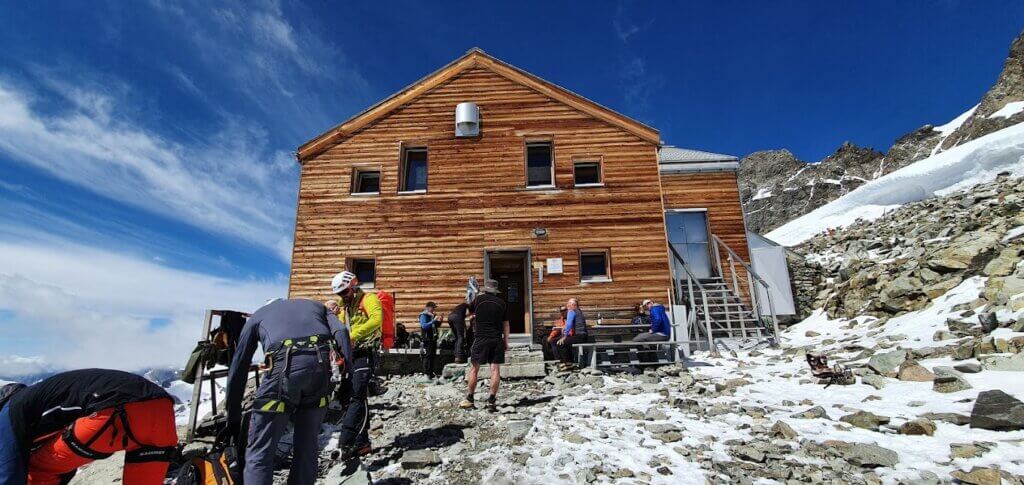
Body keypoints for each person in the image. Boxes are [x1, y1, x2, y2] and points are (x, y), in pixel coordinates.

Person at [223, 298, 352, 485]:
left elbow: (238, 367)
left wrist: (233, 418)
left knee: (260, 452)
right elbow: (341, 331)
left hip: (281, 373)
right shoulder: (316, 306)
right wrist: (346, 378)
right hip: (321, 371)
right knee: (307, 446)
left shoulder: (258, 316)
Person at [0, 369, 177, 485]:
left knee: (38, 470)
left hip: (115, 410)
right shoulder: (39, 397)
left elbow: (9, 471)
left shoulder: (10, 412)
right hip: (162, 410)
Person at [332, 270, 383, 461]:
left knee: (357, 395)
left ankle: (345, 442)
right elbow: (338, 326)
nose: (342, 296)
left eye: (345, 292)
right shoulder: (343, 305)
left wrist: (351, 336)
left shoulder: (369, 299)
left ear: (353, 285)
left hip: (366, 351)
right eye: (340, 294)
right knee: (346, 396)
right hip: (350, 354)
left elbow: (377, 320)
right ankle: (363, 443)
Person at [459, 279, 509, 412]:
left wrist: (475, 316)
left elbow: (468, 313)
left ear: (485, 289)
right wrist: (506, 342)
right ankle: (491, 401)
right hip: (496, 339)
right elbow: (506, 324)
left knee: (474, 368)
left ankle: (470, 399)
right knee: (495, 369)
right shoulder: (502, 303)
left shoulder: (478, 300)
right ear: (496, 291)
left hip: (481, 338)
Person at [633, 299, 672, 364]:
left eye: (648, 304)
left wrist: (653, 329)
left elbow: (658, 319)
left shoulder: (654, 309)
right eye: (645, 305)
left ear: (651, 303)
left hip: (661, 334)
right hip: (664, 333)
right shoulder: (659, 309)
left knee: (636, 339)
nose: (647, 306)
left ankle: (645, 359)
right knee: (644, 340)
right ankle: (650, 358)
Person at [555, 298, 588, 371]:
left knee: (560, 343)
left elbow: (569, 324)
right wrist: (565, 327)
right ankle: (567, 362)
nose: (567, 305)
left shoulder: (571, 311)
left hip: (579, 336)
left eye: (568, 304)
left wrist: (565, 336)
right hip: (584, 336)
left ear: (573, 305)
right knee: (566, 342)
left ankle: (568, 364)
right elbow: (573, 323)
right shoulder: (579, 311)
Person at [419, 301, 443, 378]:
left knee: (433, 356)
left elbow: (436, 325)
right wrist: (433, 320)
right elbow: (424, 326)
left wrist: (440, 320)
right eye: (433, 308)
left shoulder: (432, 316)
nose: (434, 310)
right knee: (428, 356)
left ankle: (431, 372)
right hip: (427, 338)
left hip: (433, 338)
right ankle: (426, 373)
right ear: (428, 308)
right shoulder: (424, 315)